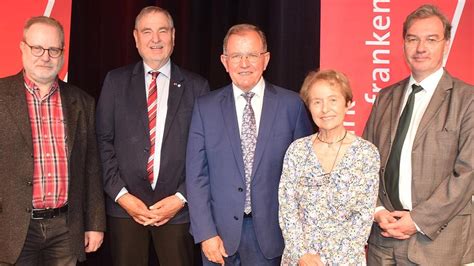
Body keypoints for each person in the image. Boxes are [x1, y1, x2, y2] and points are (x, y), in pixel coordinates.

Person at [186, 23, 313, 265]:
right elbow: (196, 176)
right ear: (224, 61)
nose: (244, 64)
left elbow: (303, 179)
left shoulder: (292, 106)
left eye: (252, 55)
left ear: (266, 59)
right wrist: (206, 233)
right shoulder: (205, 108)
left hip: (272, 237)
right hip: (218, 238)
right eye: (236, 56)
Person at [96, 6, 210, 266]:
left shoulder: (197, 87)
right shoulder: (115, 82)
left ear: (173, 36)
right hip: (125, 209)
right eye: (147, 31)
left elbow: (204, 152)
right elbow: (102, 143)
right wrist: (122, 195)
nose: (155, 39)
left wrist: (181, 198)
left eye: (162, 31)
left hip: (176, 211)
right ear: (135, 38)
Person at [363, 4, 473, 265]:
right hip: (383, 241)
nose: (420, 48)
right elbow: (363, 163)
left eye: (431, 39)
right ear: (403, 44)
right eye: (413, 39)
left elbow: (468, 173)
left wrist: (418, 220)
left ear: (445, 44)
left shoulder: (467, 99)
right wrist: (377, 210)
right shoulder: (385, 98)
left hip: (439, 245)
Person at [0, 16, 105, 265]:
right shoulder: (2, 96)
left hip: (66, 230)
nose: (45, 56)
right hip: (11, 229)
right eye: (37, 48)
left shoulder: (82, 102)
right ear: (23, 47)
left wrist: (95, 223)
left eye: (53, 49)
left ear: (62, 52)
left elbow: (91, 167)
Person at [278, 69, 380, 265]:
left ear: (347, 103)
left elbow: (362, 218)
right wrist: (302, 255)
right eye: (317, 102)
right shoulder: (297, 151)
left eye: (333, 100)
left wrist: (329, 262)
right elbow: (287, 209)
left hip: (346, 261)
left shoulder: (366, 154)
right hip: (300, 261)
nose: (325, 109)